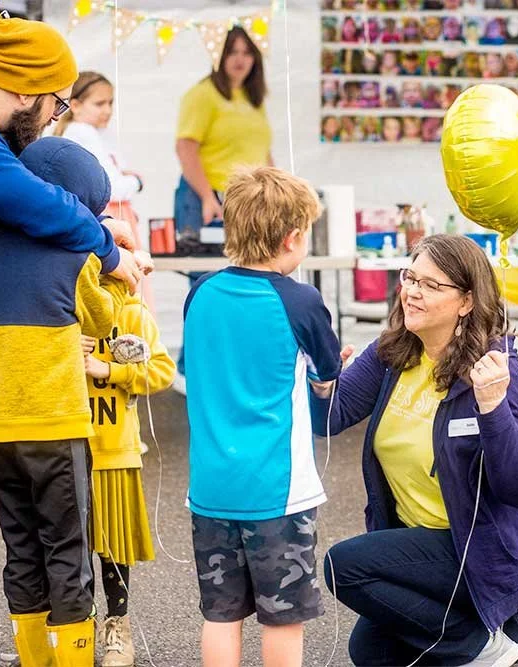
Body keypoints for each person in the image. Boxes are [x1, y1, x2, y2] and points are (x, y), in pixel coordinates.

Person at [0, 12, 142, 666]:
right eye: (57, 103)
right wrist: (108, 249)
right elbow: (40, 203)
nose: (53, 118)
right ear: (26, 90)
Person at [311, 234, 518, 667]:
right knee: (372, 652)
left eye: (431, 285)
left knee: (344, 566)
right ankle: (501, 627)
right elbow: (331, 417)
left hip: (480, 546)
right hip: (418, 542)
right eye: (410, 277)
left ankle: (492, 642)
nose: (412, 291)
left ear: (467, 302)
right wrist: (322, 386)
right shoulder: (392, 354)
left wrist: (492, 409)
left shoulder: (495, 371)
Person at [0, 136, 141, 667]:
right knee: (68, 554)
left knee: (21, 552)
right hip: (57, 425)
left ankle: (34, 657)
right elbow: (102, 320)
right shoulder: (76, 253)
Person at [184, 166, 341, 667]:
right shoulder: (300, 300)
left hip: (210, 487)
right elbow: (327, 370)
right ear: (293, 237)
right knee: (282, 617)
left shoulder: (200, 292)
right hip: (279, 490)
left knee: (221, 615)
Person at [174, 25, 273, 384]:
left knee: (244, 282)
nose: (240, 59)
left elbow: (263, 152)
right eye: (233, 51)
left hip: (247, 202)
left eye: (247, 52)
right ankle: (189, 371)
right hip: (207, 198)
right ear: (219, 56)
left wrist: (277, 194)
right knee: (206, 285)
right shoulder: (203, 95)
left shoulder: (253, 97)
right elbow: (186, 148)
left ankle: (226, 368)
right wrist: (206, 197)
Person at [81, 292, 174, 665]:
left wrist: (111, 371)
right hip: (67, 449)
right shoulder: (62, 307)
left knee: (114, 549)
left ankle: (117, 627)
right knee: (71, 550)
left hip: (116, 449)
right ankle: (78, 628)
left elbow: (162, 371)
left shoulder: (132, 312)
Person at [57, 71, 155, 307]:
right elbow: (110, 187)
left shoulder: (90, 133)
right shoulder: (83, 132)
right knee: (127, 291)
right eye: (99, 103)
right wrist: (136, 182)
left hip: (112, 217)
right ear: (76, 105)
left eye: (110, 103)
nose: (107, 110)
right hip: (111, 217)